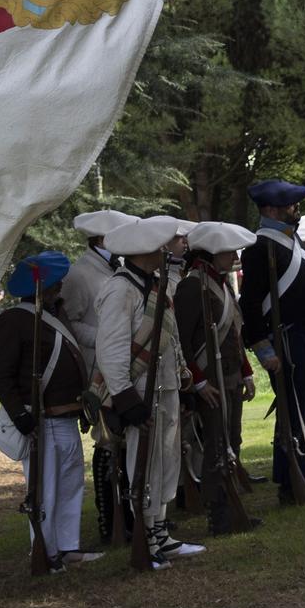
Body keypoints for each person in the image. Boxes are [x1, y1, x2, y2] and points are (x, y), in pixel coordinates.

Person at [95, 215, 204, 564]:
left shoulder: (154, 285)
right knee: (144, 465)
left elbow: (169, 336)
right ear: (144, 253)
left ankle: (160, 530)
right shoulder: (120, 289)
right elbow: (111, 352)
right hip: (140, 390)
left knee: (166, 461)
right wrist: (127, 401)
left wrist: (182, 377)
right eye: (158, 248)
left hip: (165, 387)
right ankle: (146, 534)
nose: (164, 252)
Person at [0, 249, 99, 569]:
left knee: (70, 484)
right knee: (44, 492)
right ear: (39, 288)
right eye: (53, 284)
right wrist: (19, 414)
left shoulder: (54, 315)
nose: (59, 288)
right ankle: (46, 551)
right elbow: (2, 374)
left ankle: (67, 546)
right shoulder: (14, 320)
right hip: (40, 420)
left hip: (65, 415)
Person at [241, 180, 305, 507]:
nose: (295, 209)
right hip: (287, 337)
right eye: (289, 205)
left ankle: (302, 476)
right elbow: (251, 303)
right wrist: (263, 349)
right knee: (292, 413)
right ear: (271, 210)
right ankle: (288, 483)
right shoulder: (260, 247)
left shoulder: (290, 242)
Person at [175, 222, 262, 533]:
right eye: (228, 251)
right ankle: (219, 513)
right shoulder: (192, 286)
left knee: (231, 442)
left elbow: (234, 333)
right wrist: (197, 382)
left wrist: (247, 372)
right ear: (212, 253)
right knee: (215, 447)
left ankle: (230, 504)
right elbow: (182, 343)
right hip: (210, 383)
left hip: (231, 378)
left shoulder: (220, 283)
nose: (234, 255)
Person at [60, 210, 133, 542]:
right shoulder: (79, 274)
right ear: (104, 239)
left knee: (126, 444)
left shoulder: (116, 268)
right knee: (107, 444)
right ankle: (109, 519)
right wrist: (106, 338)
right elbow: (71, 323)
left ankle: (130, 514)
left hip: (122, 363)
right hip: (99, 371)